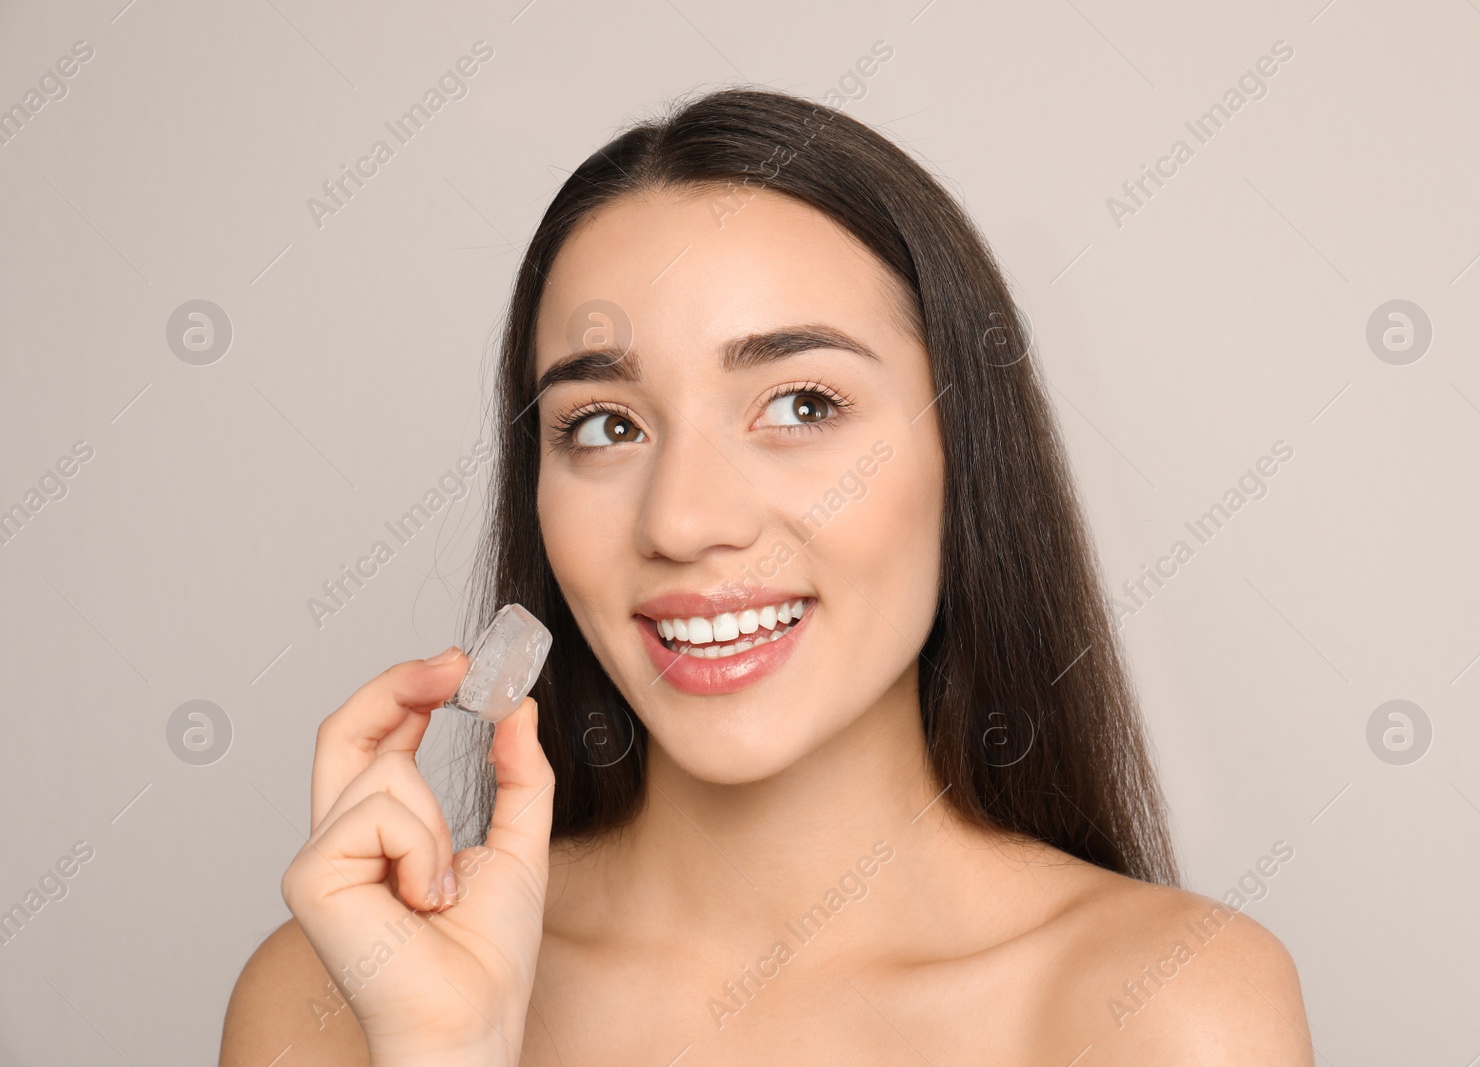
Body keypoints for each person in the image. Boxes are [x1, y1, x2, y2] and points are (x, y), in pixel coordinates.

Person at [221, 86, 1311, 1065]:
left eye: (801, 405)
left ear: (964, 453)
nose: (686, 520)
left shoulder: (1172, 1008)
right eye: (603, 424)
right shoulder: (332, 997)